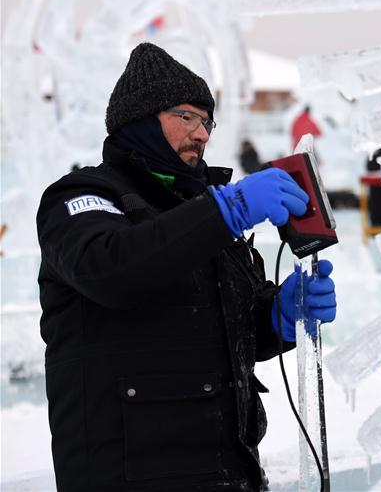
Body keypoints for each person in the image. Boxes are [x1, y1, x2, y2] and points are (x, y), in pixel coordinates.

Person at [36, 42, 337, 492]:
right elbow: (113, 270)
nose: (201, 134)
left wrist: (277, 317)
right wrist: (227, 211)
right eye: (186, 117)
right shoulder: (82, 197)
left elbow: (215, 330)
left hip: (228, 474)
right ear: (140, 120)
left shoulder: (203, 211)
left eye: (207, 121)